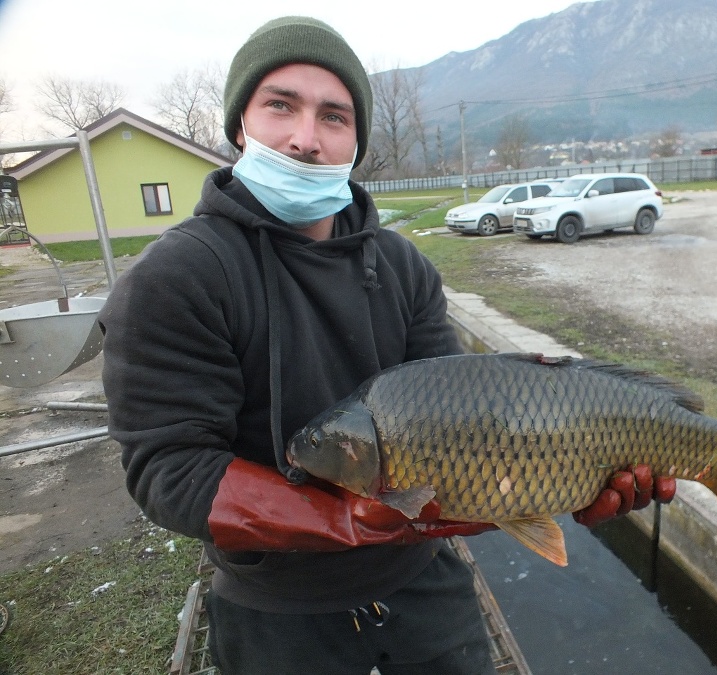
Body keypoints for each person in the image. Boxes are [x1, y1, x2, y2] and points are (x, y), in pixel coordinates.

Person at [99, 16, 676, 675]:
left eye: (334, 116)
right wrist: (340, 519)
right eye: (280, 106)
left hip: (421, 581)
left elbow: (470, 413)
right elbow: (168, 467)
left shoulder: (401, 265)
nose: (305, 139)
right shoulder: (176, 279)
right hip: (277, 611)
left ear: (356, 141)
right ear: (240, 125)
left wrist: (564, 473)